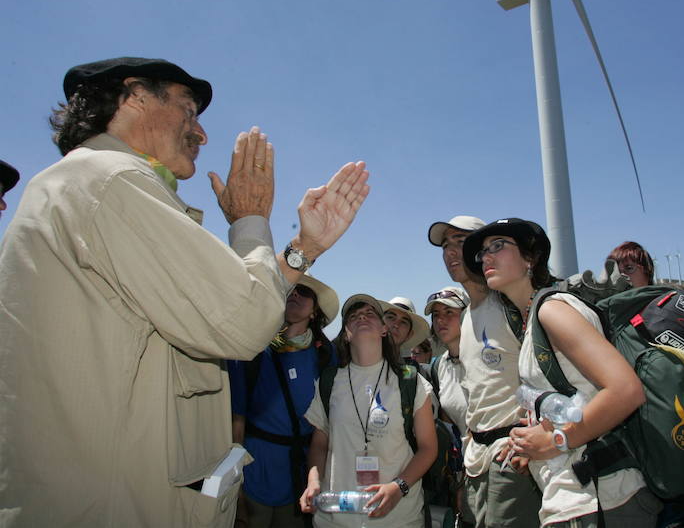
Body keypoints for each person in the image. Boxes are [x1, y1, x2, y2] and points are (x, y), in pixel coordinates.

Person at [0, 57, 369, 527]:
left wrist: (303, 248)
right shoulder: (111, 181)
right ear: (134, 96)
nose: (201, 133)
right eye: (189, 110)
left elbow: (227, 307)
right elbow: (243, 323)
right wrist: (251, 221)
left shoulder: (85, 184)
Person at [461, 218, 660, 527]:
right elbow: (578, 398)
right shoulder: (532, 323)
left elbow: (625, 390)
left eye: (498, 246)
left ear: (531, 257)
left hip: (602, 502)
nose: (486, 257)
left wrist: (555, 441)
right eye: (483, 252)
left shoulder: (552, 310)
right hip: (573, 501)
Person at [428, 215, 542, 528]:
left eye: (461, 243)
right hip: (476, 461)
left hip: (512, 455)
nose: (451, 252)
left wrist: (536, 439)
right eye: (446, 246)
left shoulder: (512, 304)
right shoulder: (465, 320)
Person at [299, 294, 438, 527]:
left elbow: (428, 448)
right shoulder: (329, 381)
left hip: (398, 518)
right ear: (346, 334)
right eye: (353, 316)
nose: (361, 317)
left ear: (384, 329)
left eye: (370, 314)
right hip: (336, 518)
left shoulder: (410, 381)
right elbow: (320, 443)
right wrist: (313, 480)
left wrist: (398, 487)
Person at [229, 276, 340, 528]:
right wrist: (236, 487)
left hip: (300, 476)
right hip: (253, 470)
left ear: (315, 312)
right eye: (290, 290)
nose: (295, 294)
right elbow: (236, 420)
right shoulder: (253, 347)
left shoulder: (325, 355)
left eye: (303, 292)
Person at [425, 285, 475, 526]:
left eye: (449, 313)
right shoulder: (441, 367)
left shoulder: (489, 356)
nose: (441, 320)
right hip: (469, 469)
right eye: (436, 315)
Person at [381, 296, 431, 366]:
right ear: (380, 323)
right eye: (391, 317)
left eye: (403, 322)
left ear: (409, 335)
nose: (396, 325)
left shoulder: (414, 374)